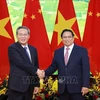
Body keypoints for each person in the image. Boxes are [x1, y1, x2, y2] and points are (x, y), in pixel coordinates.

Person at [43, 29, 90, 100]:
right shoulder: (58, 52)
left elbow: (86, 69)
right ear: (62, 39)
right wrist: (43, 73)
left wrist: (85, 85)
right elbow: (53, 67)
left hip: (77, 89)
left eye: (69, 37)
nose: (67, 39)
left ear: (73, 38)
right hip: (63, 89)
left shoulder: (82, 51)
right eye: (64, 37)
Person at [8, 26, 43, 100]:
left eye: (25, 34)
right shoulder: (12, 48)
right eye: (20, 34)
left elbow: (36, 65)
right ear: (17, 36)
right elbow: (21, 63)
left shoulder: (33, 49)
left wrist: (36, 84)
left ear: (29, 36)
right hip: (16, 86)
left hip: (29, 87)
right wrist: (37, 71)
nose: (23, 37)